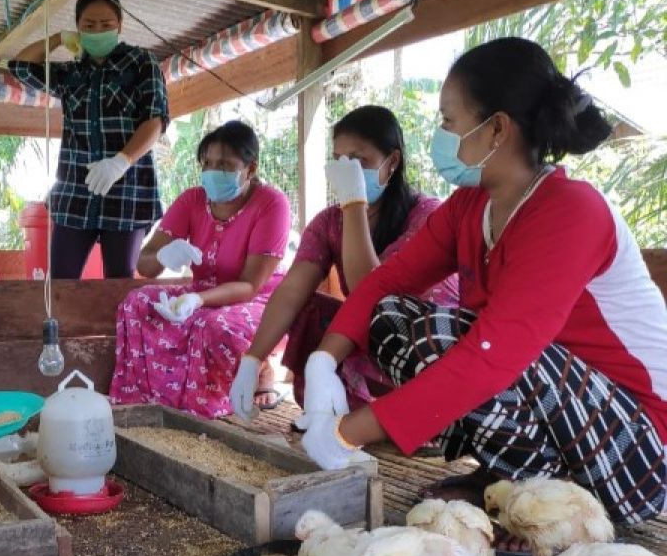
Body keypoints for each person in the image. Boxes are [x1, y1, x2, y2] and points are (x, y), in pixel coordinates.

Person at [299, 37, 667, 530]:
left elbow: (495, 354)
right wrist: (324, 361)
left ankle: (542, 509)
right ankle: (512, 482)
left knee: (454, 340)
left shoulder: (570, 211)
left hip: (640, 449)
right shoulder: (471, 206)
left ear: (497, 128)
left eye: (449, 122)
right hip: (568, 418)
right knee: (393, 320)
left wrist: (346, 432)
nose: (442, 135)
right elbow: (389, 280)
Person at [229, 106, 459, 421]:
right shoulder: (329, 222)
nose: (346, 170)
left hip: (421, 348)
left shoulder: (427, 216)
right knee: (309, 306)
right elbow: (292, 291)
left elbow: (377, 298)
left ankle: (413, 418)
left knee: (380, 320)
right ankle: (338, 410)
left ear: (391, 162)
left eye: (359, 161)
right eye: (339, 160)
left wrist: (354, 203)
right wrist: (252, 360)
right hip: (368, 338)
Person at [109, 121, 290, 418]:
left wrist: (197, 301)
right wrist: (165, 256)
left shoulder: (271, 204)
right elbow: (144, 264)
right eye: (207, 163)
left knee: (212, 325)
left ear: (251, 168)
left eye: (224, 164)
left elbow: (250, 287)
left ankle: (241, 384)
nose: (212, 171)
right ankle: (150, 395)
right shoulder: (192, 200)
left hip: (260, 303)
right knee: (136, 303)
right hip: (204, 294)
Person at [9, 0, 169, 279]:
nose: (98, 31)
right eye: (89, 25)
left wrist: (120, 162)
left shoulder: (142, 62)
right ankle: (60, 328)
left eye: (106, 25)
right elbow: (20, 66)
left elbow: (155, 121)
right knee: (60, 284)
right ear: (78, 28)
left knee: (118, 285)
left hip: (127, 193)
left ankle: (116, 329)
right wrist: (58, 38)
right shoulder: (71, 73)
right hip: (74, 194)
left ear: (120, 25)